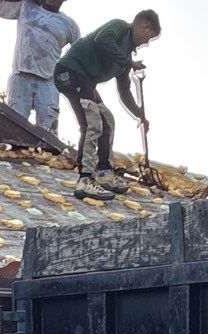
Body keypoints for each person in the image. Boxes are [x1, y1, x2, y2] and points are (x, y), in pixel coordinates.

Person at [54, 9, 159, 199]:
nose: (147, 43)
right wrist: (129, 63)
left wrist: (140, 114)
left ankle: (104, 172)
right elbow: (102, 40)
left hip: (85, 81)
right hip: (70, 71)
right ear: (145, 27)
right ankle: (85, 179)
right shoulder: (120, 27)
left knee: (107, 121)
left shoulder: (124, 57)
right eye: (149, 37)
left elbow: (124, 91)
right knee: (92, 121)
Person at [0, 0, 81, 136]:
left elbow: (78, 53)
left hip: (49, 82)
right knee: (13, 127)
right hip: (21, 76)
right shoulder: (26, 6)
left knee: (48, 133)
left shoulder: (69, 24)